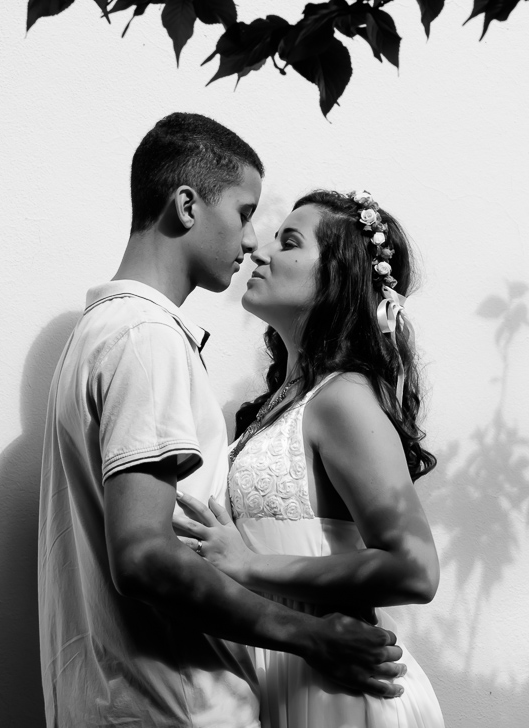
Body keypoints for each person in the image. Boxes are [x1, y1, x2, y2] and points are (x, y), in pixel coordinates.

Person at [38, 115, 404, 728]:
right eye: (244, 212)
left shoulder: (96, 336)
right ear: (186, 206)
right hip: (174, 704)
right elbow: (145, 555)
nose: (254, 241)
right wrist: (307, 635)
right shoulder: (146, 339)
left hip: (110, 699)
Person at [172, 189, 445, 728]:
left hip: (339, 692)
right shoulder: (280, 407)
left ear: (335, 279)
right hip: (282, 673)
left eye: (288, 242)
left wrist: (251, 564)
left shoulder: (343, 399)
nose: (259, 252)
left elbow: (416, 570)